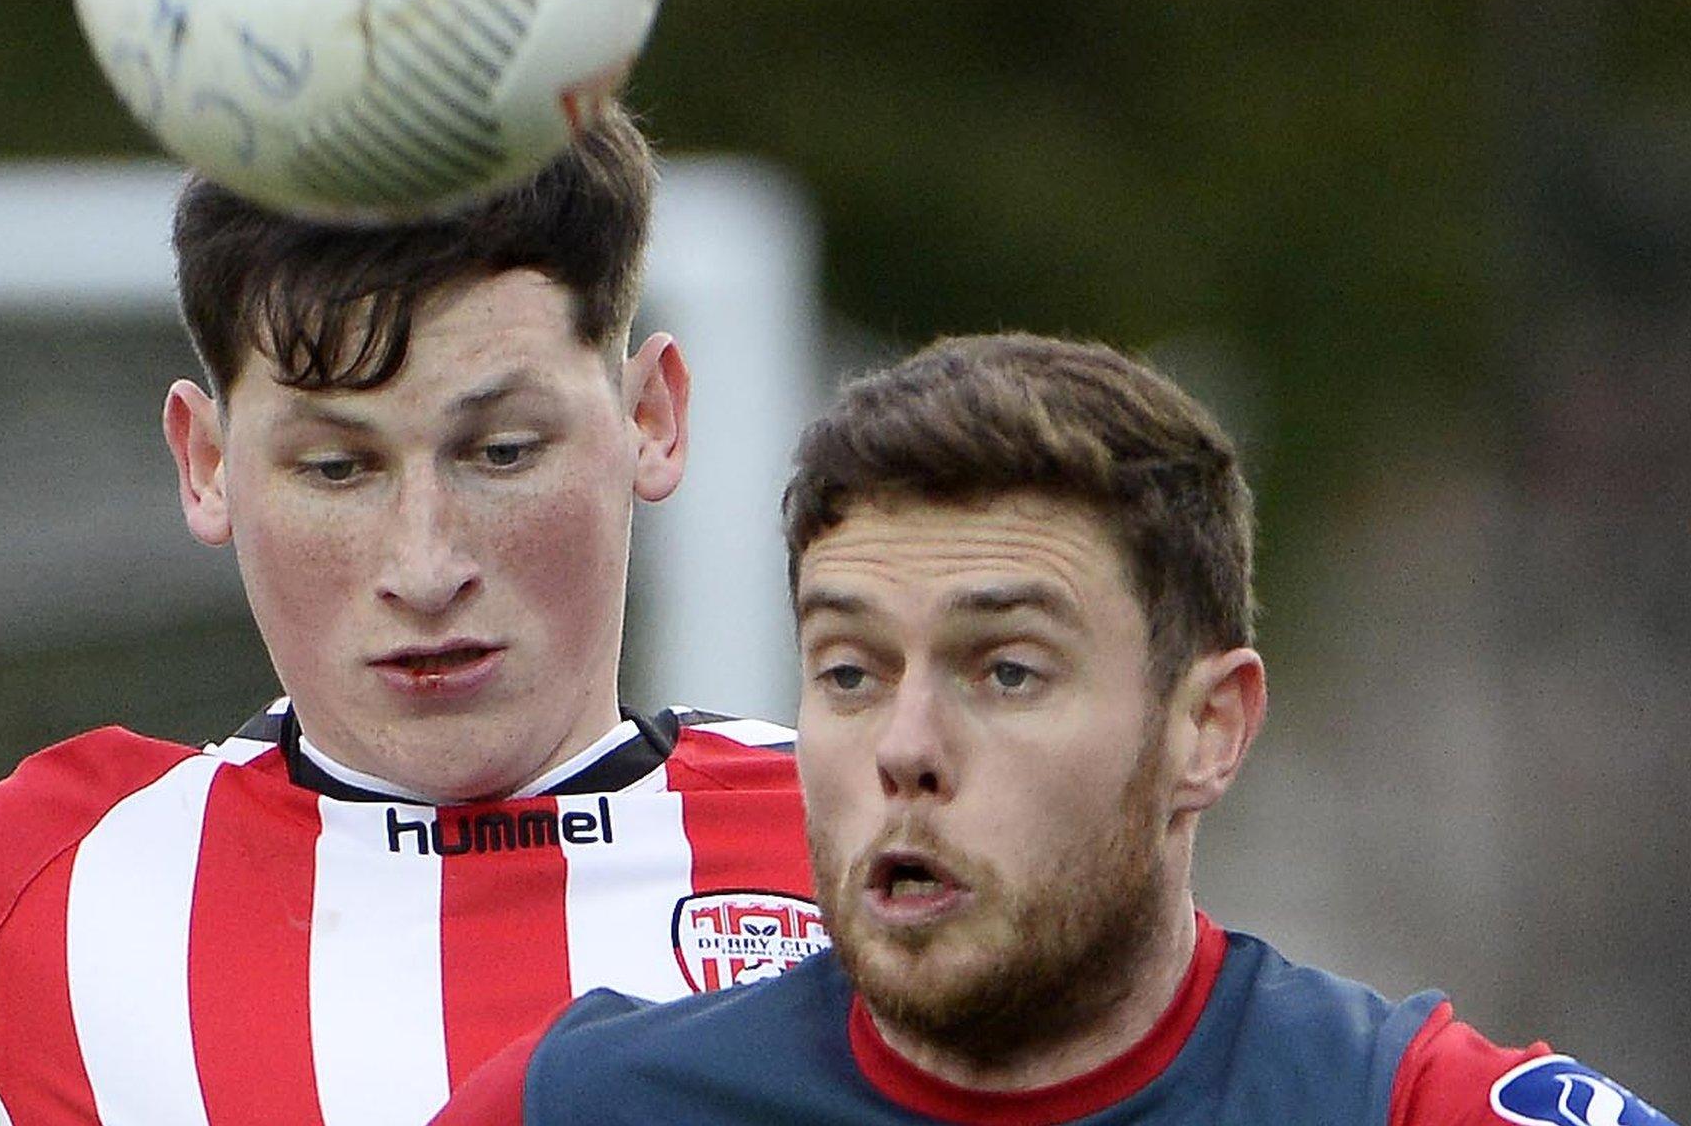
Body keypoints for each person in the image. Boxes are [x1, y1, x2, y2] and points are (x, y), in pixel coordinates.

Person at [0, 106, 824, 1126]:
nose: (422, 565)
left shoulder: (876, 839)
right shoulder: (38, 885)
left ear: (652, 417)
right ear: (205, 463)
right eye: (333, 468)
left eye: (501, 451)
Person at [436, 332, 1678, 1125]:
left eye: (1007, 671)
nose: (904, 746)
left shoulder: (1400, 1109)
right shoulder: (586, 1107)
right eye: (851, 671)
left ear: (1206, 728)